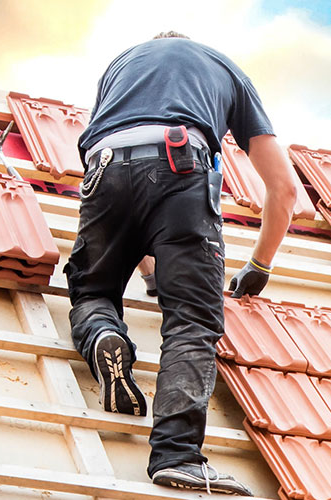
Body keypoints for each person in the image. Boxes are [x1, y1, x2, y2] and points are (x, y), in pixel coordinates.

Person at [64, 31, 297, 495]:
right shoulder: (224, 69)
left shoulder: (120, 65)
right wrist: (261, 264)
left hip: (103, 167)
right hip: (179, 163)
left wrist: (152, 276)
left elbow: (132, 201)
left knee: (92, 289)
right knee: (192, 319)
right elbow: (285, 189)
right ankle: (177, 456)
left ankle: (105, 338)